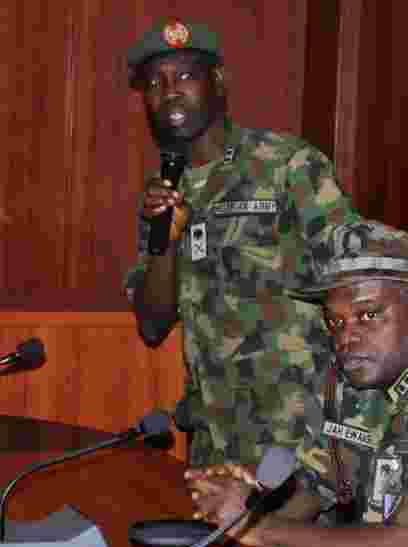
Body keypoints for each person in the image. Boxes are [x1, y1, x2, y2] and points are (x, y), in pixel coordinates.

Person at [186, 220, 408, 547]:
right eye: (335, 322)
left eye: (369, 315)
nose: (346, 339)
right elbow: (317, 484)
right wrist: (249, 506)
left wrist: (258, 529)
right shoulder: (363, 370)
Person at [122, 18, 358, 469]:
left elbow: (354, 278)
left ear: (219, 82)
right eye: (155, 82)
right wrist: (165, 243)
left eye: (186, 76)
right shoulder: (163, 193)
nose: (169, 91)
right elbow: (152, 325)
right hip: (214, 437)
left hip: (298, 435)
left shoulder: (288, 165)